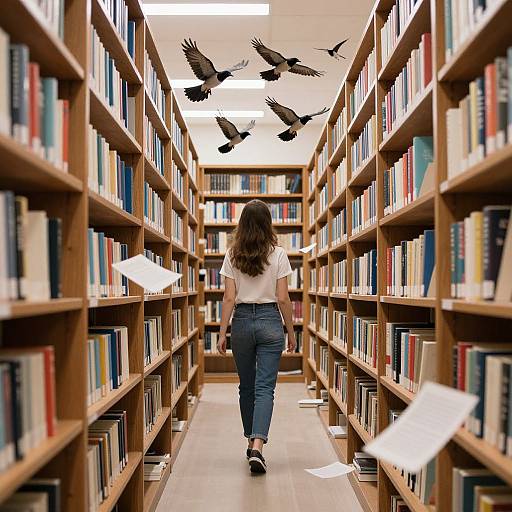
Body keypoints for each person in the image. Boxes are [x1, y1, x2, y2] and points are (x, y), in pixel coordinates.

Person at [217, 199, 297, 474]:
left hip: (240, 323)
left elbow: (228, 297)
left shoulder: (232, 255)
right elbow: (284, 298)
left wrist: (222, 332)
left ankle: (251, 440)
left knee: (246, 387)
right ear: (267, 224)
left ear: (242, 225)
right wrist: (291, 331)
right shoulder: (279, 254)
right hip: (269, 321)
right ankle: (258, 445)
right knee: (265, 388)